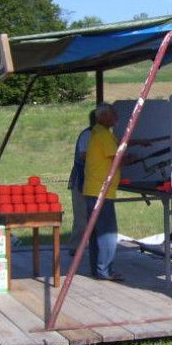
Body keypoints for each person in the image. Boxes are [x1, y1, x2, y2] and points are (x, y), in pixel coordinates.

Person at [82, 102, 144, 281]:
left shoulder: (100, 133)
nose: (116, 117)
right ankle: (105, 270)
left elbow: (120, 144)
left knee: (96, 233)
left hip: (93, 189)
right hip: (102, 191)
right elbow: (117, 158)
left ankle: (98, 268)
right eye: (113, 114)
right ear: (103, 117)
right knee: (108, 233)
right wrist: (131, 159)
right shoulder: (103, 135)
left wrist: (138, 143)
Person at [67, 108, 97, 256]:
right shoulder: (88, 134)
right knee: (81, 217)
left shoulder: (101, 135)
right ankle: (75, 247)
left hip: (93, 180)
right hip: (82, 179)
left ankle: (94, 246)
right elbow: (84, 155)